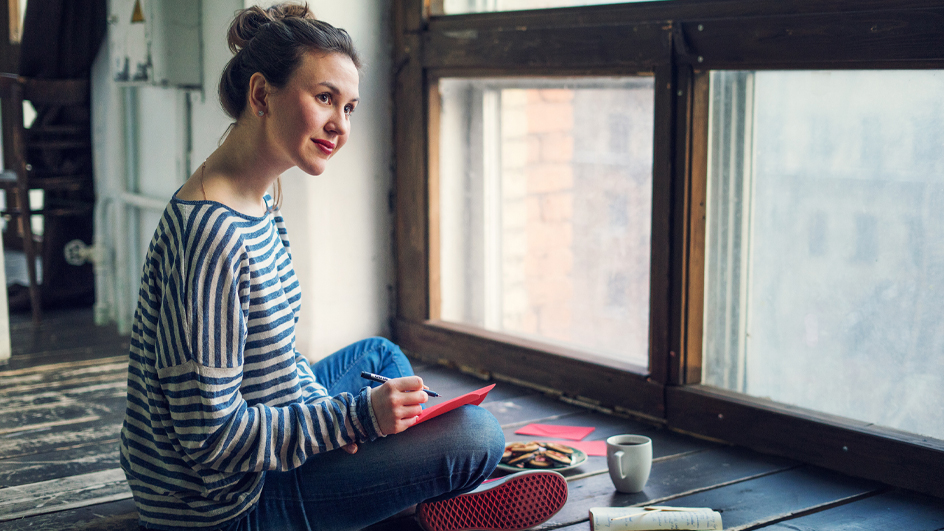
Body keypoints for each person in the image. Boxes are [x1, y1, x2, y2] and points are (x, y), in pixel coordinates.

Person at [118, 3, 568, 531]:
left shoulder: (257, 198)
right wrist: (351, 420)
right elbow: (211, 440)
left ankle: (400, 492)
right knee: (478, 437)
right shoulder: (211, 237)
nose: (340, 124)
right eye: (325, 97)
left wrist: (346, 423)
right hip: (221, 507)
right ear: (262, 94)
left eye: (349, 107)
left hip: (253, 458)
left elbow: (275, 360)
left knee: (379, 354)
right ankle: (412, 507)